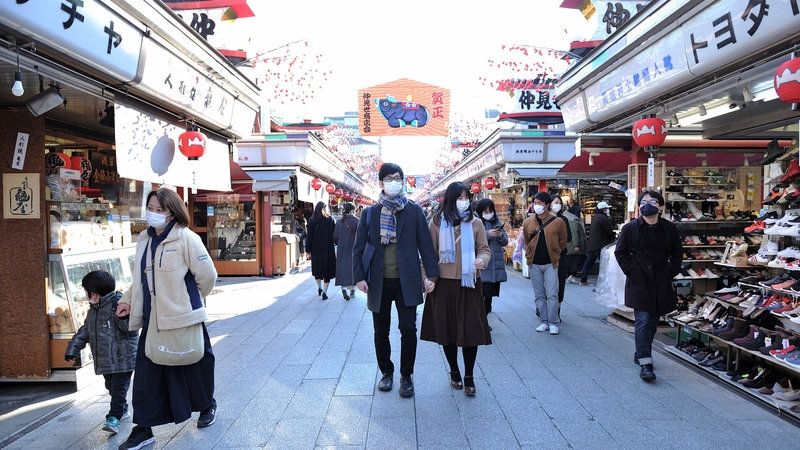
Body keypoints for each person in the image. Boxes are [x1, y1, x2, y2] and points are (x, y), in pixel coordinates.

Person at [115, 188, 218, 450]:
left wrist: (186, 301)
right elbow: (140, 278)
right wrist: (127, 300)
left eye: (160, 209)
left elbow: (207, 276)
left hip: (184, 318)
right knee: (147, 377)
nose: (154, 213)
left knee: (196, 364)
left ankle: (207, 405)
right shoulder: (143, 240)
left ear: (172, 212)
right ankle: (143, 429)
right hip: (152, 321)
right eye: (151, 207)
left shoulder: (186, 238)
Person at [352, 162, 439, 398]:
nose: (394, 182)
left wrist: (431, 276)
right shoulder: (370, 213)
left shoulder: (413, 211)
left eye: (398, 178)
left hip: (406, 280)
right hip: (378, 282)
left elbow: (426, 246)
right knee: (381, 331)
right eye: (389, 178)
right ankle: (386, 373)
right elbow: (358, 248)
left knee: (408, 328)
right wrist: (358, 277)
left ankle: (406, 376)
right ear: (380, 183)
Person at [421, 183, 492, 396]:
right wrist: (426, 278)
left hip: (469, 283)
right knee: (447, 331)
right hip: (443, 284)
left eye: (466, 197)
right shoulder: (435, 223)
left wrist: (482, 260)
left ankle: (469, 374)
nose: (464, 201)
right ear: (450, 200)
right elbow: (428, 255)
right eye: (460, 197)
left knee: (471, 330)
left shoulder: (476, 223)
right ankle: (454, 371)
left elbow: (484, 249)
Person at [614, 191, 682, 381]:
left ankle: (640, 351)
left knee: (653, 321)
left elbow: (677, 252)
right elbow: (620, 253)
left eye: (652, 201)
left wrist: (671, 271)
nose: (647, 205)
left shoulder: (669, 229)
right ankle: (646, 363)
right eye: (643, 202)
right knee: (643, 319)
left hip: (661, 280)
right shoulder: (631, 228)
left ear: (660, 206)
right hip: (639, 281)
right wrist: (632, 271)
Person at [65, 270, 138, 435]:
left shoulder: (118, 304)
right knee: (111, 387)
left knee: (118, 391)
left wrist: (124, 318)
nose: (85, 295)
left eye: (86, 292)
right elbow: (85, 331)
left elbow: (131, 329)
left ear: (94, 294)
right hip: (105, 360)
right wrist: (73, 350)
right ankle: (123, 409)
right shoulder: (93, 310)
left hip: (123, 359)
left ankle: (114, 418)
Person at [522, 192, 568, 335]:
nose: (537, 205)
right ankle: (543, 321)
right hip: (534, 262)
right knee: (539, 294)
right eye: (535, 202)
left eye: (540, 203)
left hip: (551, 263)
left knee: (552, 293)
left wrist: (556, 252)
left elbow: (563, 240)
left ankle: (554, 322)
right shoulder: (528, 222)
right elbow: (526, 239)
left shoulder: (558, 221)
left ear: (547, 205)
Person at [474, 198, 508, 327]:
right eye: (485, 211)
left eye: (490, 211)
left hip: (495, 265)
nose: (488, 213)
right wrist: (488, 234)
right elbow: (473, 240)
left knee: (489, 296)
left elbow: (505, 242)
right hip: (483, 265)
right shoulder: (475, 223)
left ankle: (484, 320)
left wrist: (499, 235)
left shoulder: (497, 222)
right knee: (480, 295)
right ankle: (480, 322)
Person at [550, 194, 581, 315]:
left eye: (559, 202)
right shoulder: (542, 219)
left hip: (561, 255)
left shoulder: (563, 219)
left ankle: (557, 310)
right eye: (555, 202)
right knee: (546, 284)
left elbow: (568, 237)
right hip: (545, 257)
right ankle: (542, 308)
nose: (557, 205)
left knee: (559, 283)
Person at [579, 200, 616, 286]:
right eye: (606, 209)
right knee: (605, 264)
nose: (608, 210)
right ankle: (606, 282)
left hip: (593, 244)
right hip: (600, 245)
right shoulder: (603, 218)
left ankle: (583, 279)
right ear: (603, 210)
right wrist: (613, 235)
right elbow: (609, 230)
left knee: (588, 263)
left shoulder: (596, 217)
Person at [306, 201, 337, 300]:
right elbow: (335, 235)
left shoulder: (311, 221)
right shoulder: (331, 219)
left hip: (316, 249)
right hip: (328, 248)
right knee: (327, 270)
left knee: (317, 269)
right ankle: (325, 291)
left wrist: (308, 250)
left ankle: (319, 288)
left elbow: (309, 237)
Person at [333, 202, 358, 300]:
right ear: (351, 210)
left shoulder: (339, 222)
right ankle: (352, 291)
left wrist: (339, 243)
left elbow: (335, 236)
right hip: (354, 249)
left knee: (342, 268)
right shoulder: (357, 221)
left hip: (342, 249)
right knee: (353, 268)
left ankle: (343, 287)